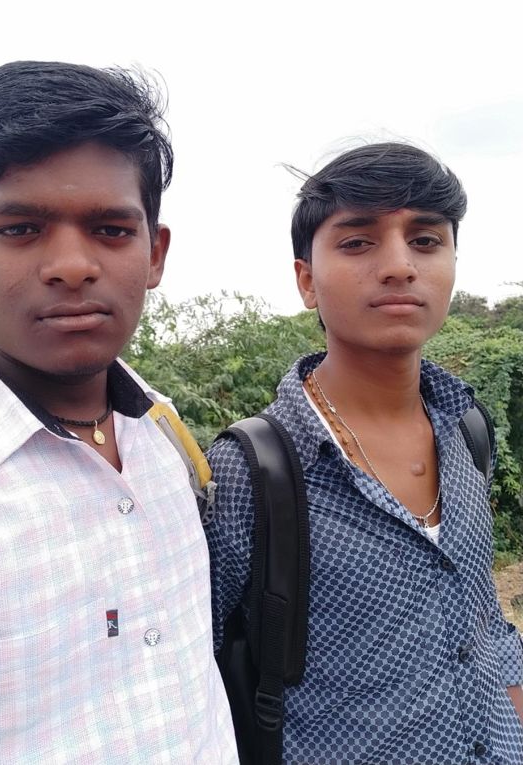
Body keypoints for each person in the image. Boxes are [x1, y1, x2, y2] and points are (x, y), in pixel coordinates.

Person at [0, 61, 238, 764]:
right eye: (21, 228)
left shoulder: (168, 438)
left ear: (155, 253)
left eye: (110, 229)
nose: (72, 265)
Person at [206, 142, 523, 765]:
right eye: (357, 242)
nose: (400, 266)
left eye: (426, 241)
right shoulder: (252, 471)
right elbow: (190, 668)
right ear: (306, 280)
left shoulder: (467, 428)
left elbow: (481, 613)